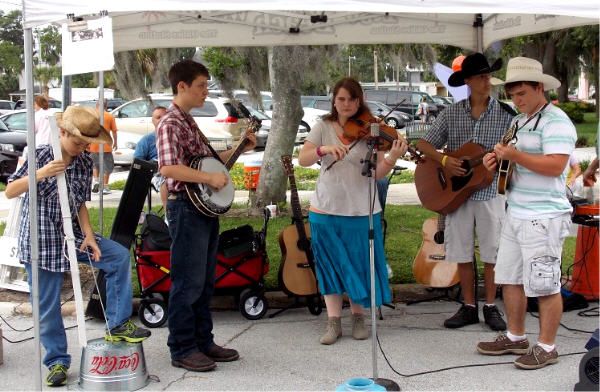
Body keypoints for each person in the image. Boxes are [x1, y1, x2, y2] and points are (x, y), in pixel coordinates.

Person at [5, 106, 151, 386]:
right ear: (62, 132)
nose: (83, 147)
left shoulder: (83, 162)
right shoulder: (40, 155)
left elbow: (80, 202)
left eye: (87, 143)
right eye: (78, 142)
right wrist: (43, 172)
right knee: (47, 306)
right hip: (41, 238)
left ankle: (117, 324)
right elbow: (11, 190)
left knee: (117, 256)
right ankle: (57, 361)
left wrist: (89, 235)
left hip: (72, 233)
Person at [156, 60, 256, 372]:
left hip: (200, 209)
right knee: (187, 281)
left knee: (203, 281)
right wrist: (209, 180)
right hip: (185, 208)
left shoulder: (188, 121)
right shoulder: (170, 123)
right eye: (201, 85)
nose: (205, 91)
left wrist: (241, 146)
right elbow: (168, 168)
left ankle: (203, 341)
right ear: (181, 86)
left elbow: (212, 163)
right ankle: (182, 347)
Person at [478, 57, 577, 370]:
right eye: (512, 95)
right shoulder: (518, 122)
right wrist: (493, 162)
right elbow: (510, 160)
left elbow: (556, 166)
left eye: (522, 94)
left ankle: (547, 346)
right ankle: (515, 336)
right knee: (510, 278)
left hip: (544, 216)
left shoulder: (557, 121)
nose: (517, 100)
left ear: (539, 88)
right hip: (516, 211)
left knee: (545, 284)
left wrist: (515, 155)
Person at [297, 77, 408, 345]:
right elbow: (303, 158)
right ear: (334, 100)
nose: (346, 104)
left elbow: (378, 173)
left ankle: (358, 316)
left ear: (360, 101)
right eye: (341, 99)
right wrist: (323, 148)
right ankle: (333, 321)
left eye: (352, 99)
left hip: (361, 209)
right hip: (326, 207)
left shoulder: (373, 128)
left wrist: (392, 157)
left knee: (360, 264)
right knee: (329, 266)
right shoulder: (322, 126)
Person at [416, 52, 514, 331]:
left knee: (492, 253)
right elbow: (424, 145)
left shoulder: (507, 116)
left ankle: (492, 305)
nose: (487, 81)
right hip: (456, 196)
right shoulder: (451, 112)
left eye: (488, 76)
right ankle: (469, 306)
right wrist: (445, 160)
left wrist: (500, 165)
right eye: (481, 77)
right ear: (468, 81)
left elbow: (514, 153)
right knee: (461, 253)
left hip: (489, 193)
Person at [134, 106, 168, 210]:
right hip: (156, 174)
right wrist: (154, 165)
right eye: (158, 117)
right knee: (166, 183)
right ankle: (169, 217)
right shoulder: (146, 140)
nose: (161, 120)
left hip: (177, 170)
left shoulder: (177, 137)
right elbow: (137, 163)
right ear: (153, 121)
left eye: (164, 117)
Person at [89, 99, 118, 194]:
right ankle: (105, 186)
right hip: (106, 145)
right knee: (107, 166)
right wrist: (115, 142)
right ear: (106, 106)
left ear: (96, 105)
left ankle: (96, 181)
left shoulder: (92, 116)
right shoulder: (109, 116)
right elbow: (114, 131)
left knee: (95, 165)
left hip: (93, 145)